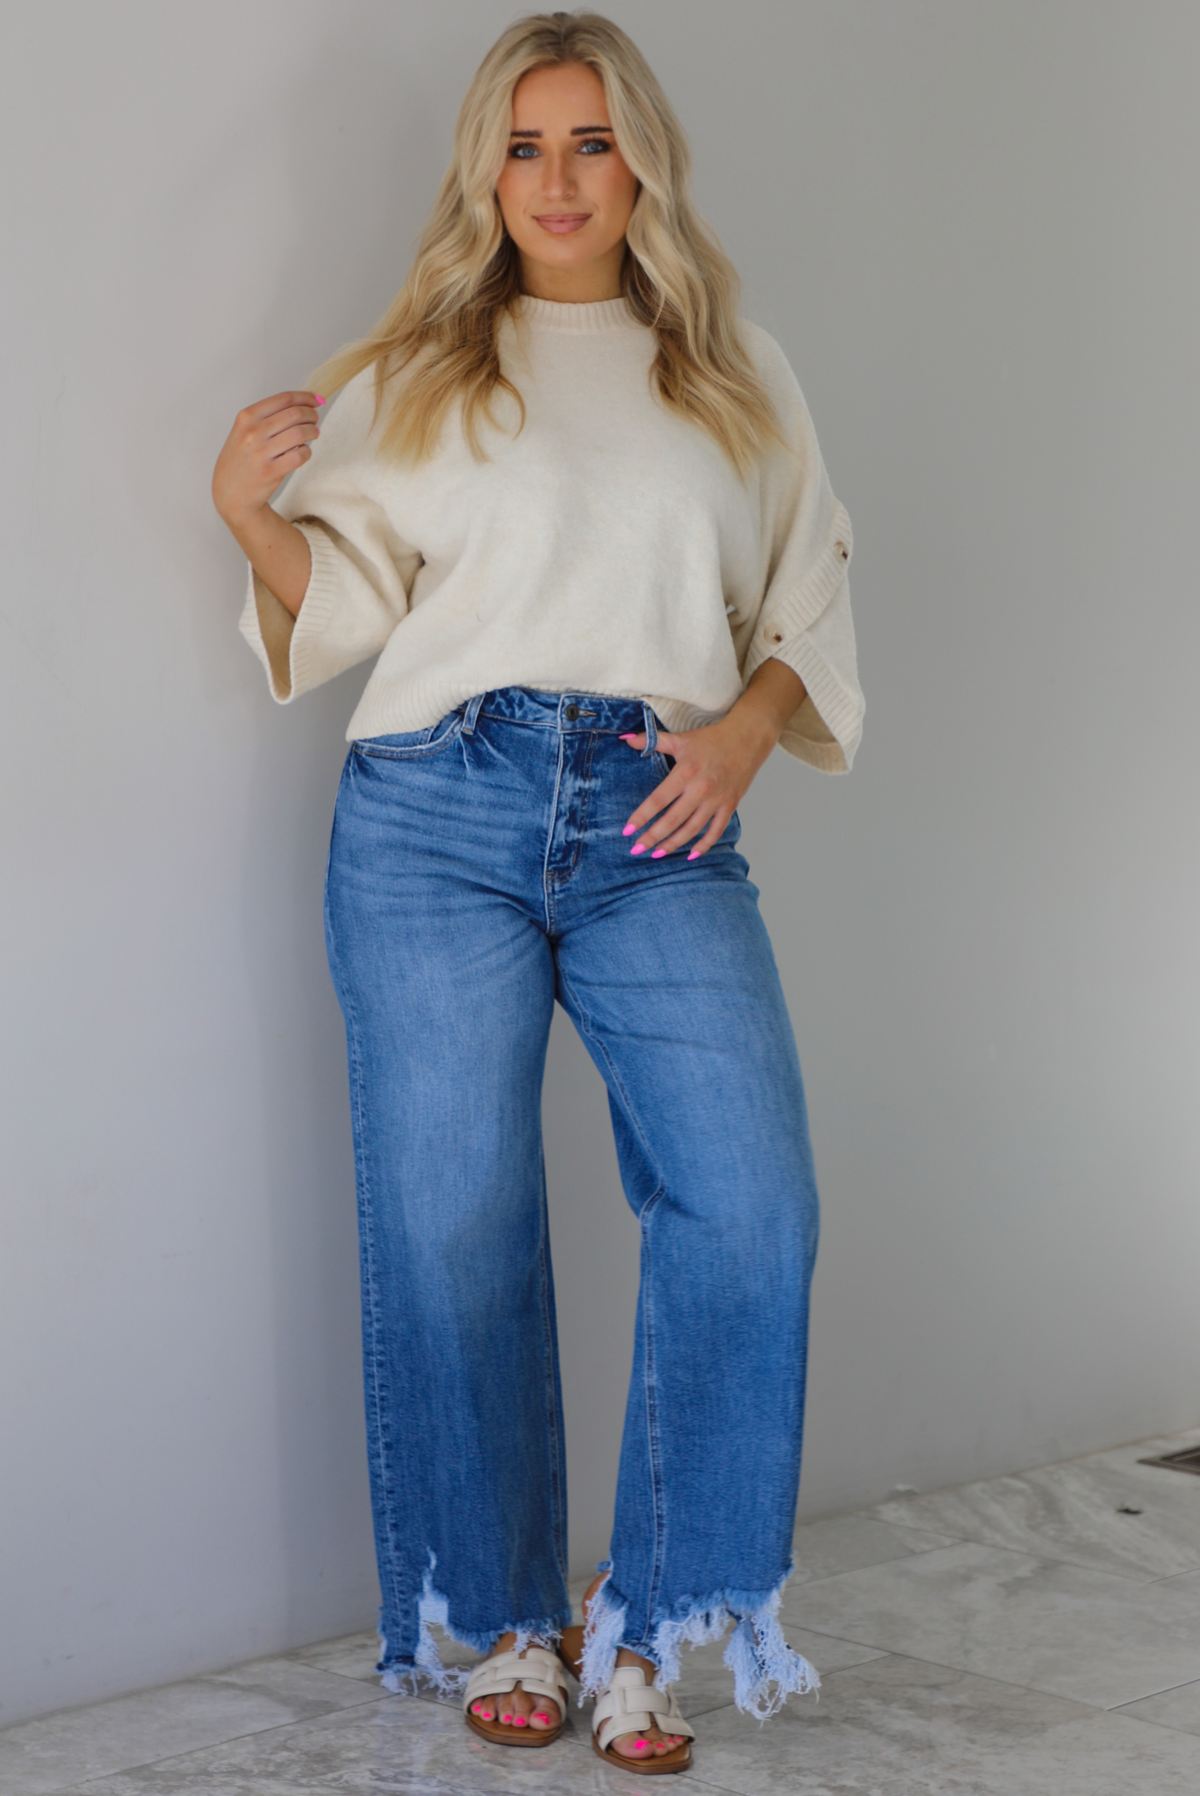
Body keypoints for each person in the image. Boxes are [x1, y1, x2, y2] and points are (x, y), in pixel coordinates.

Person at [212, 8, 863, 1775]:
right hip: (435, 811)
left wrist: (736, 738)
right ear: (483, 170)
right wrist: (243, 513)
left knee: (752, 1202)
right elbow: (344, 611)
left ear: (640, 157)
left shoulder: (735, 373)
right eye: (523, 144)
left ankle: (645, 1625)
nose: (558, 179)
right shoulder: (419, 366)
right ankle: (507, 1615)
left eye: (588, 141)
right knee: (453, 1221)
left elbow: (809, 600)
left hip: (661, 810)